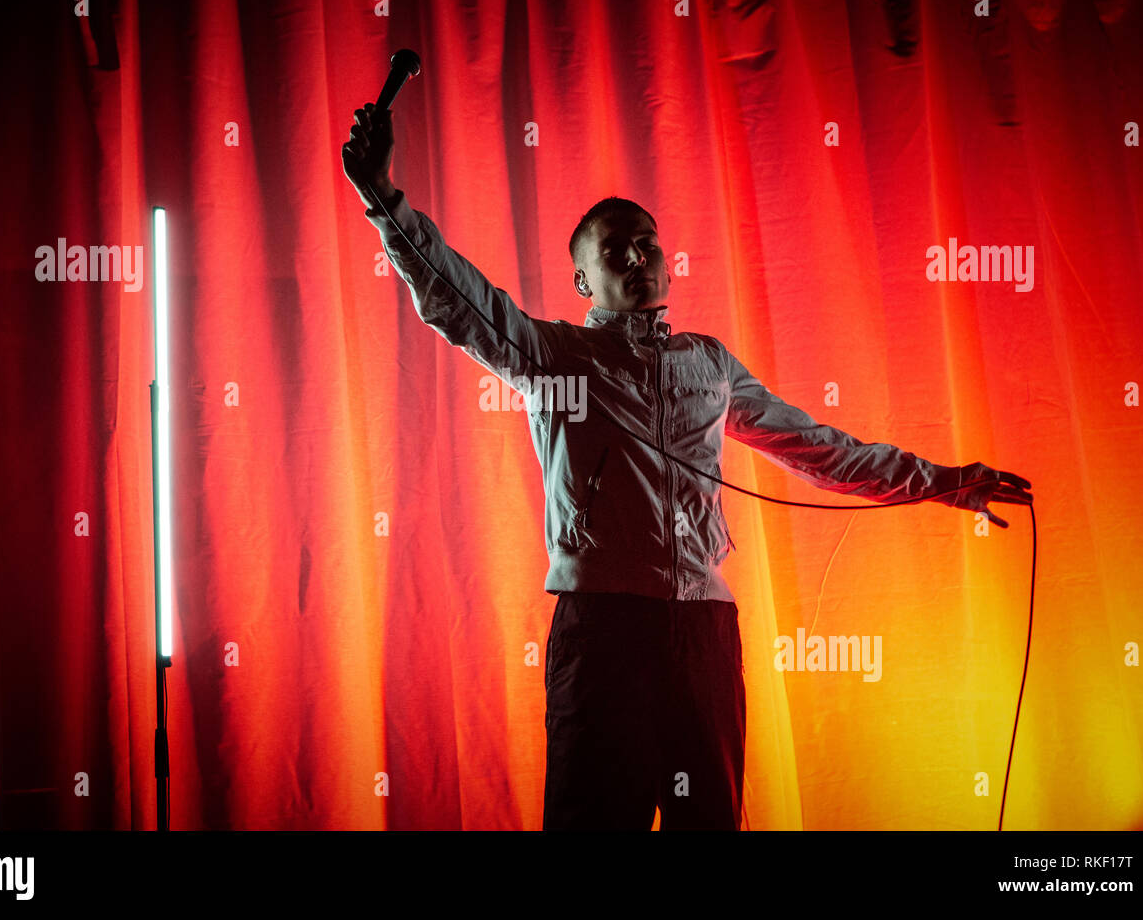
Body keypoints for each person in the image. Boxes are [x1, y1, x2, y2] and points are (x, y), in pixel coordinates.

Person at [340, 102, 1034, 830]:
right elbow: (460, 301)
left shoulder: (708, 364)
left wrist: (947, 484)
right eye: (615, 252)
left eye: (647, 244)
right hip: (604, 630)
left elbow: (824, 450)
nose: (638, 258)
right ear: (583, 282)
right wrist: (384, 197)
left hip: (703, 632)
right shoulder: (555, 359)